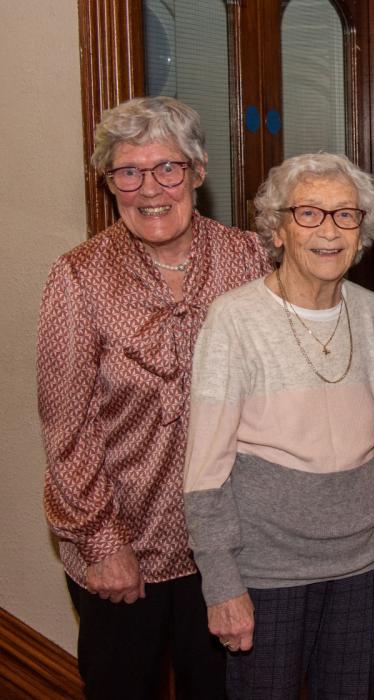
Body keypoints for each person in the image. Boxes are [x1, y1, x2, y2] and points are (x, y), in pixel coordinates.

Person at [37, 96, 270, 699]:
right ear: (109, 183)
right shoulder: (78, 276)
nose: (149, 188)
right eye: (128, 172)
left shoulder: (250, 259)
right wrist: (103, 544)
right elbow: (68, 430)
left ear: (196, 171)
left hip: (230, 547)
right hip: (124, 548)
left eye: (166, 167)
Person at [183, 152, 374, 698]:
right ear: (277, 230)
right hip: (267, 571)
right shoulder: (235, 319)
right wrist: (221, 583)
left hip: (364, 565)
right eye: (308, 214)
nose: (329, 231)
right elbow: (204, 470)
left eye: (345, 215)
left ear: (362, 231)